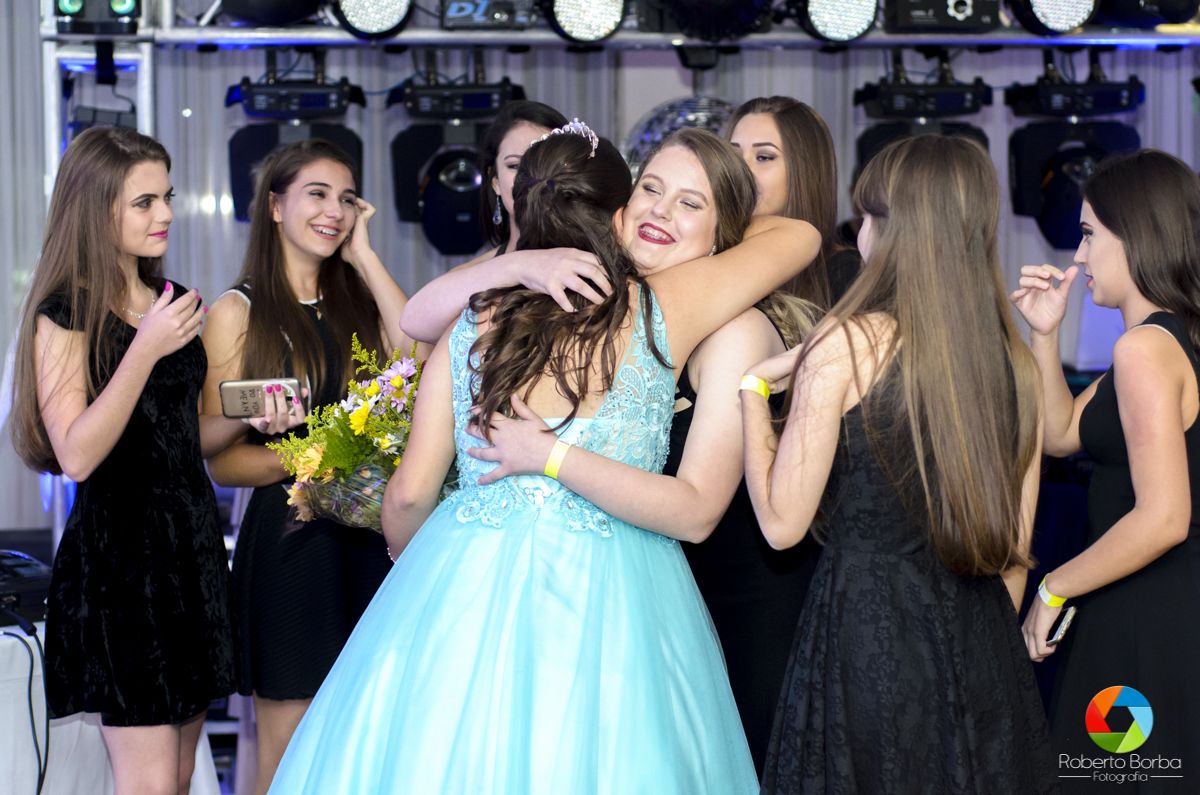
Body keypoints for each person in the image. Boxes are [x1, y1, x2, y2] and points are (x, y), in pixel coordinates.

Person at [266, 121, 821, 793]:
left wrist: (425, 570)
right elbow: (802, 236)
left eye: (690, 202)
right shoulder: (667, 308)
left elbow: (409, 494)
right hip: (617, 595)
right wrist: (520, 263)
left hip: (467, 581)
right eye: (649, 190)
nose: (659, 211)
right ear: (617, 211)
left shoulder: (476, 318)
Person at [742, 135, 1056, 793]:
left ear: (891, 228)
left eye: (867, 216)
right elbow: (1014, 556)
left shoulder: (846, 343)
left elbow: (780, 524)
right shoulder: (1017, 364)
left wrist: (752, 392)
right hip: (982, 648)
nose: (859, 231)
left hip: (867, 637)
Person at [9, 126, 263, 794]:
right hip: (123, 565)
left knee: (176, 779)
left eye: (167, 197)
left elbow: (179, 437)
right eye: (145, 202)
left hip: (190, 553)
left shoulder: (173, 301)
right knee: (148, 783)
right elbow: (77, 454)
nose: (166, 214)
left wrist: (247, 416)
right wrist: (144, 348)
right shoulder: (65, 314)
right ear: (97, 211)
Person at [200, 139, 417, 795]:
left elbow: (416, 356)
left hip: (369, 540)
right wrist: (303, 458)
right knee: (290, 744)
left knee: (370, 734)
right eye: (316, 194)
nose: (334, 211)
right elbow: (219, 461)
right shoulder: (236, 312)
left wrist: (366, 256)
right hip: (291, 545)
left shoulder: (359, 301)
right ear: (275, 206)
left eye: (346, 198)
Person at [1013, 148, 1200, 785]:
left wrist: (1052, 588)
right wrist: (1045, 334)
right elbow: (1061, 433)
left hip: (1148, 614)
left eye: (1090, 234)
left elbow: (1165, 518)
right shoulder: (1169, 338)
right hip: (1152, 605)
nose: (1080, 256)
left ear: (1136, 235)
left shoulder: (1144, 349)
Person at [728, 95, 860, 307]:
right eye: (733, 156)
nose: (741, 170)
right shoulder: (712, 259)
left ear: (804, 171)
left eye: (764, 157)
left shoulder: (845, 273)